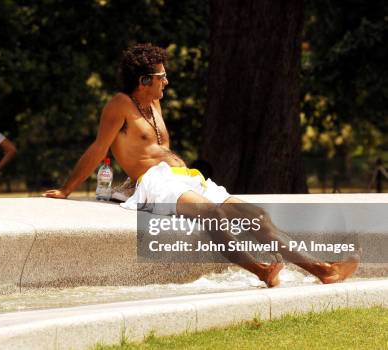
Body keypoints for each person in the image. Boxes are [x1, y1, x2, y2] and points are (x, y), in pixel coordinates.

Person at [44, 43, 359, 287]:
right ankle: (261, 270)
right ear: (143, 80)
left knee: (258, 216)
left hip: (186, 178)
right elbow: (98, 148)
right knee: (213, 214)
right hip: (155, 182)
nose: (166, 81)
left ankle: (322, 269)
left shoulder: (154, 102)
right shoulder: (119, 105)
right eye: (160, 76)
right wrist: (66, 189)